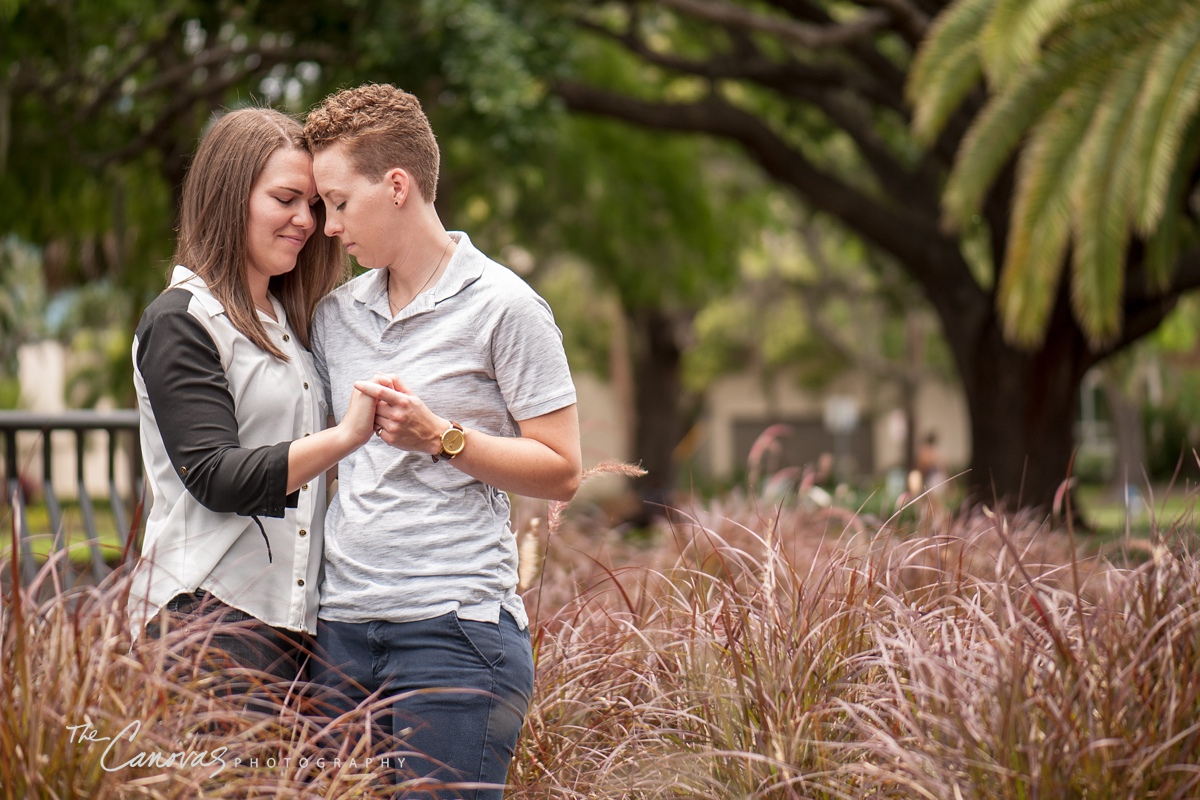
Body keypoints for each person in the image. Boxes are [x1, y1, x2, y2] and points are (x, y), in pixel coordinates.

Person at [302, 84, 582, 798]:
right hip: (341, 629)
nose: (329, 227)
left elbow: (562, 470)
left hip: (454, 633)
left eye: (339, 202)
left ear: (396, 187)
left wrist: (443, 438)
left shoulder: (506, 307)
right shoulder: (336, 316)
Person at [127, 107, 377, 683]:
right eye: (285, 199)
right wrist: (343, 439)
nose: (306, 220)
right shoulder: (183, 320)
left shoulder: (294, 322)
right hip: (204, 627)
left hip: (297, 628)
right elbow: (216, 477)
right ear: (229, 196)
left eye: (313, 205)